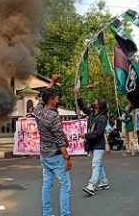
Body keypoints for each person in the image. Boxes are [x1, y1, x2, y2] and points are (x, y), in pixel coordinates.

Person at [34, 75, 72, 216]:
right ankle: (64, 214)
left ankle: (47, 213)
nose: (58, 100)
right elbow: (59, 140)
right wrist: (67, 157)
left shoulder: (38, 111)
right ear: (51, 101)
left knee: (47, 185)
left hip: (44, 154)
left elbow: (41, 98)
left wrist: (51, 83)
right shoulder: (53, 116)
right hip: (56, 156)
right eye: (56, 98)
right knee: (65, 186)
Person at [74, 87, 109, 196]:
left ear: (99, 105)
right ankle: (104, 182)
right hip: (92, 144)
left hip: (99, 144)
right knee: (98, 164)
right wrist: (78, 95)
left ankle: (91, 186)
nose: (93, 102)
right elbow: (83, 107)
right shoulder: (91, 113)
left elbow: (98, 133)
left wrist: (85, 135)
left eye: (95, 101)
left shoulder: (102, 118)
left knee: (95, 164)